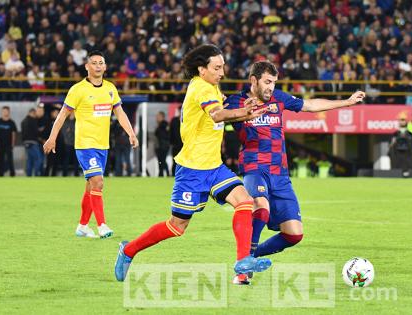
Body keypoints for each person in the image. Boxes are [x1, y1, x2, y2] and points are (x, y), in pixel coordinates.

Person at [114, 44, 271, 284]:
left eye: (223, 66)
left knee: (245, 202)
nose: (222, 72)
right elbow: (217, 115)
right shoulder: (201, 88)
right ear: (202, 69)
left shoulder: (211, 87)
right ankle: (129, 250)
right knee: (177, 226)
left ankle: (242, 263)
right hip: (192, 170)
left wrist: (242, 112)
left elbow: (220, 112)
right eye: (217, 67)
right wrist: (243, 112)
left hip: (214, 168)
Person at [224, 61, 365, 284]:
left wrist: (346, 102)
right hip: (254, 167)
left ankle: (251, 256)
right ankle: (244, 269)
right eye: (267, 82)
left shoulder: (279, 98)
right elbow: (216, 114)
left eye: (274, 83)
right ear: (254, 80)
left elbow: (309, 105)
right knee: (261, 207)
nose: (271, 87)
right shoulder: (235, 101)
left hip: (280, 173)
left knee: (294, 234)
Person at [43, 50, 138, 239]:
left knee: (90, 186)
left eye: (100, 63)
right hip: (85, 144)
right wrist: (52, 137)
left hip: (102, 145)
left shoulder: (110, 88)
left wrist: (131, 133)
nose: (97, 66)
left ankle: (83, 226)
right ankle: (102, 225)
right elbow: (62, 114)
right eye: (93, 63)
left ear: (105, 66)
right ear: (87, 66)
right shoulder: (78, 90)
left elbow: (120, 113)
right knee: (98, 182)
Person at [0, 106, 17, 177]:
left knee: (10, 160)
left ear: (9, 112)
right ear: (2, 112)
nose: (5, 112)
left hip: (8, 144)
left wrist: (12, 144)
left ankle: (12, 173)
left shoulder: (12, 122)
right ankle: (0, 174)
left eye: (6, 111)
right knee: (0, 160)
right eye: (3, 111)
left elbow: (13, 134)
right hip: (0, 144)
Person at [20, 108, 41, 176]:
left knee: (30, 159)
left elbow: (23, 133)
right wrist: (40, 130)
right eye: (35, 114)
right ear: (32, 113)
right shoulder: (33, 120)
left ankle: (29, 175)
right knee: (38, 158)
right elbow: (35, 132)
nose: (35, 115)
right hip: (33, 142)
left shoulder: (23, 121)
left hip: (26, 143)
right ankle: (36, 173)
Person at [154, 111, 170, 177]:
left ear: (162, 117)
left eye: (158, 116)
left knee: (162, 160)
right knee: (161, 160)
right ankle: (163, 173)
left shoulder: (164, 124)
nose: (156, 118)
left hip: (163, 146)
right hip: (161, 146)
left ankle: (163, 173)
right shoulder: (161, 124)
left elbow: (162, 135)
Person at [169, 106, 182, 176]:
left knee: (185, 163)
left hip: (185, 146)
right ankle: (173, 175)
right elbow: (171, 133)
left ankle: (183, 176)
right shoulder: (174, 121)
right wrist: (171, 143)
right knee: (175, 161)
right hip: (176, 146)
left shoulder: (187, 120)